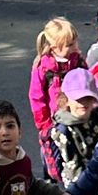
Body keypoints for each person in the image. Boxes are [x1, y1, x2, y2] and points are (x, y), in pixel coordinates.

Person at [27, 18, 81, 175]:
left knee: (72, 150)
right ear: (54, 48)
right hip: (53, 121)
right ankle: (51, 176)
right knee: (52, 152)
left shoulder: (77, 61)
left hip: (73, 116)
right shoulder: (43, 67)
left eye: (75, 42)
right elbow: (36, 97)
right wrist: (44, 124)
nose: (75, 48)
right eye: (69, 45)